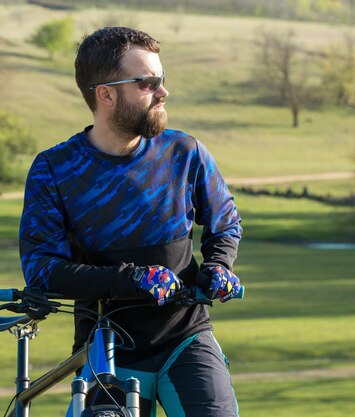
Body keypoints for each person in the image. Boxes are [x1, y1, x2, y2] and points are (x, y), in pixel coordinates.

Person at [19, 26, 242, 417]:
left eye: (162, 79)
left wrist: (220, 266)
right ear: (105, 93)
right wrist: (132, 279)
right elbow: (41, 270)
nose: (163, 92)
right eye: (147, 82)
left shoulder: (184, 152)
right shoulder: (54, 170)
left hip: (185, 337)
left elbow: (225, 222)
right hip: (105, 347)